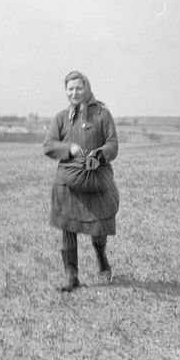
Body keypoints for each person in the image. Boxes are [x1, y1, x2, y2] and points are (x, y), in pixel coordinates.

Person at [43, 71, 120, 291]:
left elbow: (113, 145)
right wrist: (69, 148)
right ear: (65, 91)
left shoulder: (102, 114)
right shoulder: (61, 118)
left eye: (78, 88)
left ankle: (101, 256)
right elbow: (48, 146)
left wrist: (100, 155)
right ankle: (71, 276)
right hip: (67, 183)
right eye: (70, 89)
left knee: (99, 226)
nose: (74, 93)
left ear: (87, 88)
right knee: (67, 226)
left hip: (97, 181)